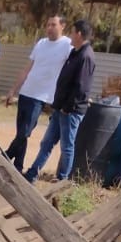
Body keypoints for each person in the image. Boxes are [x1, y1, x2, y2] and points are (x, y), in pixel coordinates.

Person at [24, 19, 96, 182]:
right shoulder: (75, 53)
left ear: (78, 34)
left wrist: (67, 107)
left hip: (70, 111)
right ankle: (32, 173)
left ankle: (62, 179)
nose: (70, 35)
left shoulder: (86, 56)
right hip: (60, 108)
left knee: (67, 147)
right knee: (47, 142)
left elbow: (81, 87)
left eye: (72, 31)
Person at [4, 14, 72, 173]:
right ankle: (17, 167)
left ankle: (5, 156)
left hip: (41, 97)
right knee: (21, 133)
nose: (49, 28)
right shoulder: (41, 43)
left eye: (53, 25)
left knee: (25, 132)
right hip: (26, 92)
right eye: (48, 25)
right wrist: (13, 90)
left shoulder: (67, 45)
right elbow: (28, 68)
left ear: (63, 26)